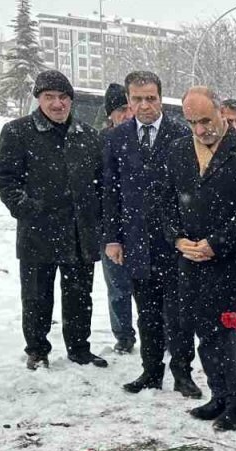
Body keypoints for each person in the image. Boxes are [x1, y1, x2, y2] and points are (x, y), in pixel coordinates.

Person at [0, 70, 108, 372]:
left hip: (79, 232)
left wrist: (95, 217)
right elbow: (5, 178)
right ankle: (37, 350)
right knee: (36, 298)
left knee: (80, 298)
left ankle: (80, 348)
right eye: (50, 98)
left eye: (63, 97)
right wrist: (26, 209)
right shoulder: (18, 132)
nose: (57, 104)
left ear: (71, 100)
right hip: (38, 232)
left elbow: (100, 183)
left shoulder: (88, 135)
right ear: (39, 100)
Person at [162, 87, 236, 431]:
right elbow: (163, 200)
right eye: (192, 122)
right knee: (206, 331)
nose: (201, 129)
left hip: (233, 262)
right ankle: (218, 393)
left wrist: (217, 243)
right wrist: (177, 238)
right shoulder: (176, 151)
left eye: (206, 120)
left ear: (221, 112)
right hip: (191, 261)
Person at [103, 71, 200, 398]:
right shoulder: (117, 138)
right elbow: (110, 192)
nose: (145, 105)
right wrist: (113, 238)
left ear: (161, 98)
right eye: (138, 99)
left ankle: (183, 373)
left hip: (173, 241)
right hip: (136, 241)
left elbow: (190, 188)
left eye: (151, 98)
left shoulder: (181, 134)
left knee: (179, 313)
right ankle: (151, 371)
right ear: (128, 101)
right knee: (147, 313)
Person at [100, 81, 137, 354]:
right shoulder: (101, 142)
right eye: (121, 109)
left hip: (143, 226)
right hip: (112, 226)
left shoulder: (144, 138)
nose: (128, 114)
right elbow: (102, 190)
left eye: (130, 107)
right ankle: (123, 336)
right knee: (118, 287)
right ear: (110, 114)